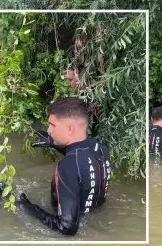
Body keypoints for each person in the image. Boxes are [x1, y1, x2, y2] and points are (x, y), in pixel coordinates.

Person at [17, 97, 111, 236]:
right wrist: (54, 143)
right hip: (98, 221)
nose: (48, 130)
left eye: (52, 125)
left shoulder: (67, 166)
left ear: (70, 128)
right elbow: (82, 159)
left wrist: (28, 207)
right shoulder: (101, 149)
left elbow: (67, 227)